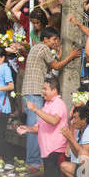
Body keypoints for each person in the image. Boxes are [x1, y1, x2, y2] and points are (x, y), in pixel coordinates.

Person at [21, 27, 82, 166]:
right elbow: (57, 66)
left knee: (35, 125)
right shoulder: (43, 48)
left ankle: (33, 159)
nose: (56, 42)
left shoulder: (37, 48)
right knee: (35, 126)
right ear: (45, 39)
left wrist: (59, 58)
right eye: (54, 39)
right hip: (35, 91)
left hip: (30, 91)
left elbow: (49, 68)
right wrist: (71, 56)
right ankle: (33, 161)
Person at [17, 78, 69, 177]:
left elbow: (54, 120)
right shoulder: (47, 105)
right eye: (42, 88)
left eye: (45, 89)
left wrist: (36, 110)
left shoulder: (58, 103)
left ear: (54, 90)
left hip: (56, 150)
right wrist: (27, 129)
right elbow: (39, 128)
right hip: (47, 151)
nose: (43, 91)